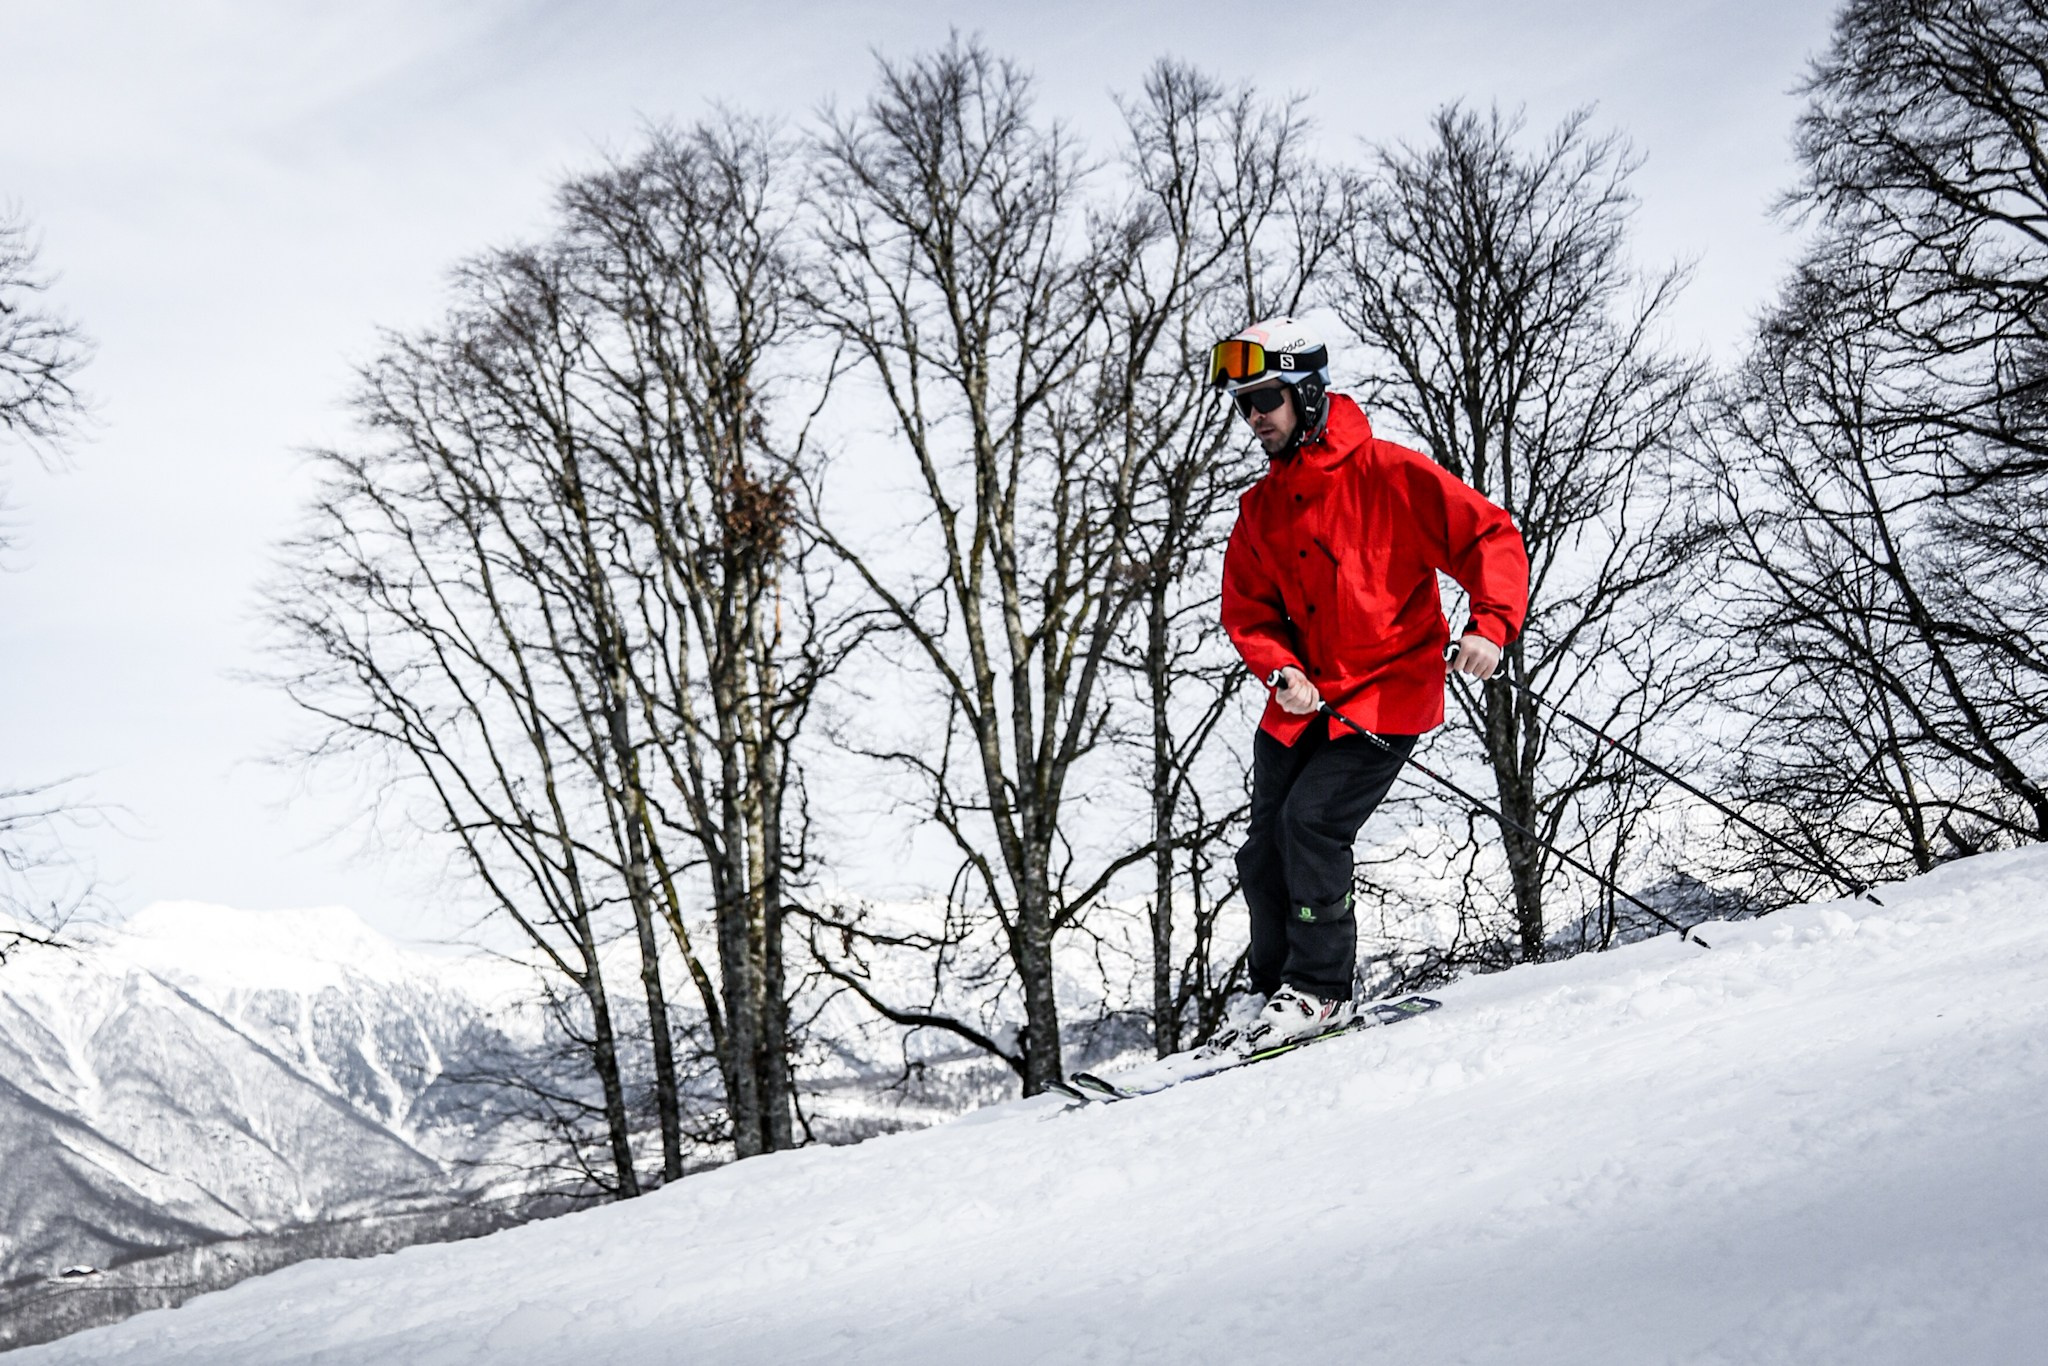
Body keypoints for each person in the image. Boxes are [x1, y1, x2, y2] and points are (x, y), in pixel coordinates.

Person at [1209, 317, 1529, 1054]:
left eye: (1265, 399)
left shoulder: (1389, 473)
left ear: (1308, 393)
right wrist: (1280, 670)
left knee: (1312, 825)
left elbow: (1489, 537)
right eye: (1243, 405)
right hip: (1301, 706)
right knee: (1262, 850)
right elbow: (1248, 610)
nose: (1254, 418)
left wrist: (1490, 626)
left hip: (1386, 693)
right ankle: (1272, 993)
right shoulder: (1260, 510)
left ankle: (1321, 993)